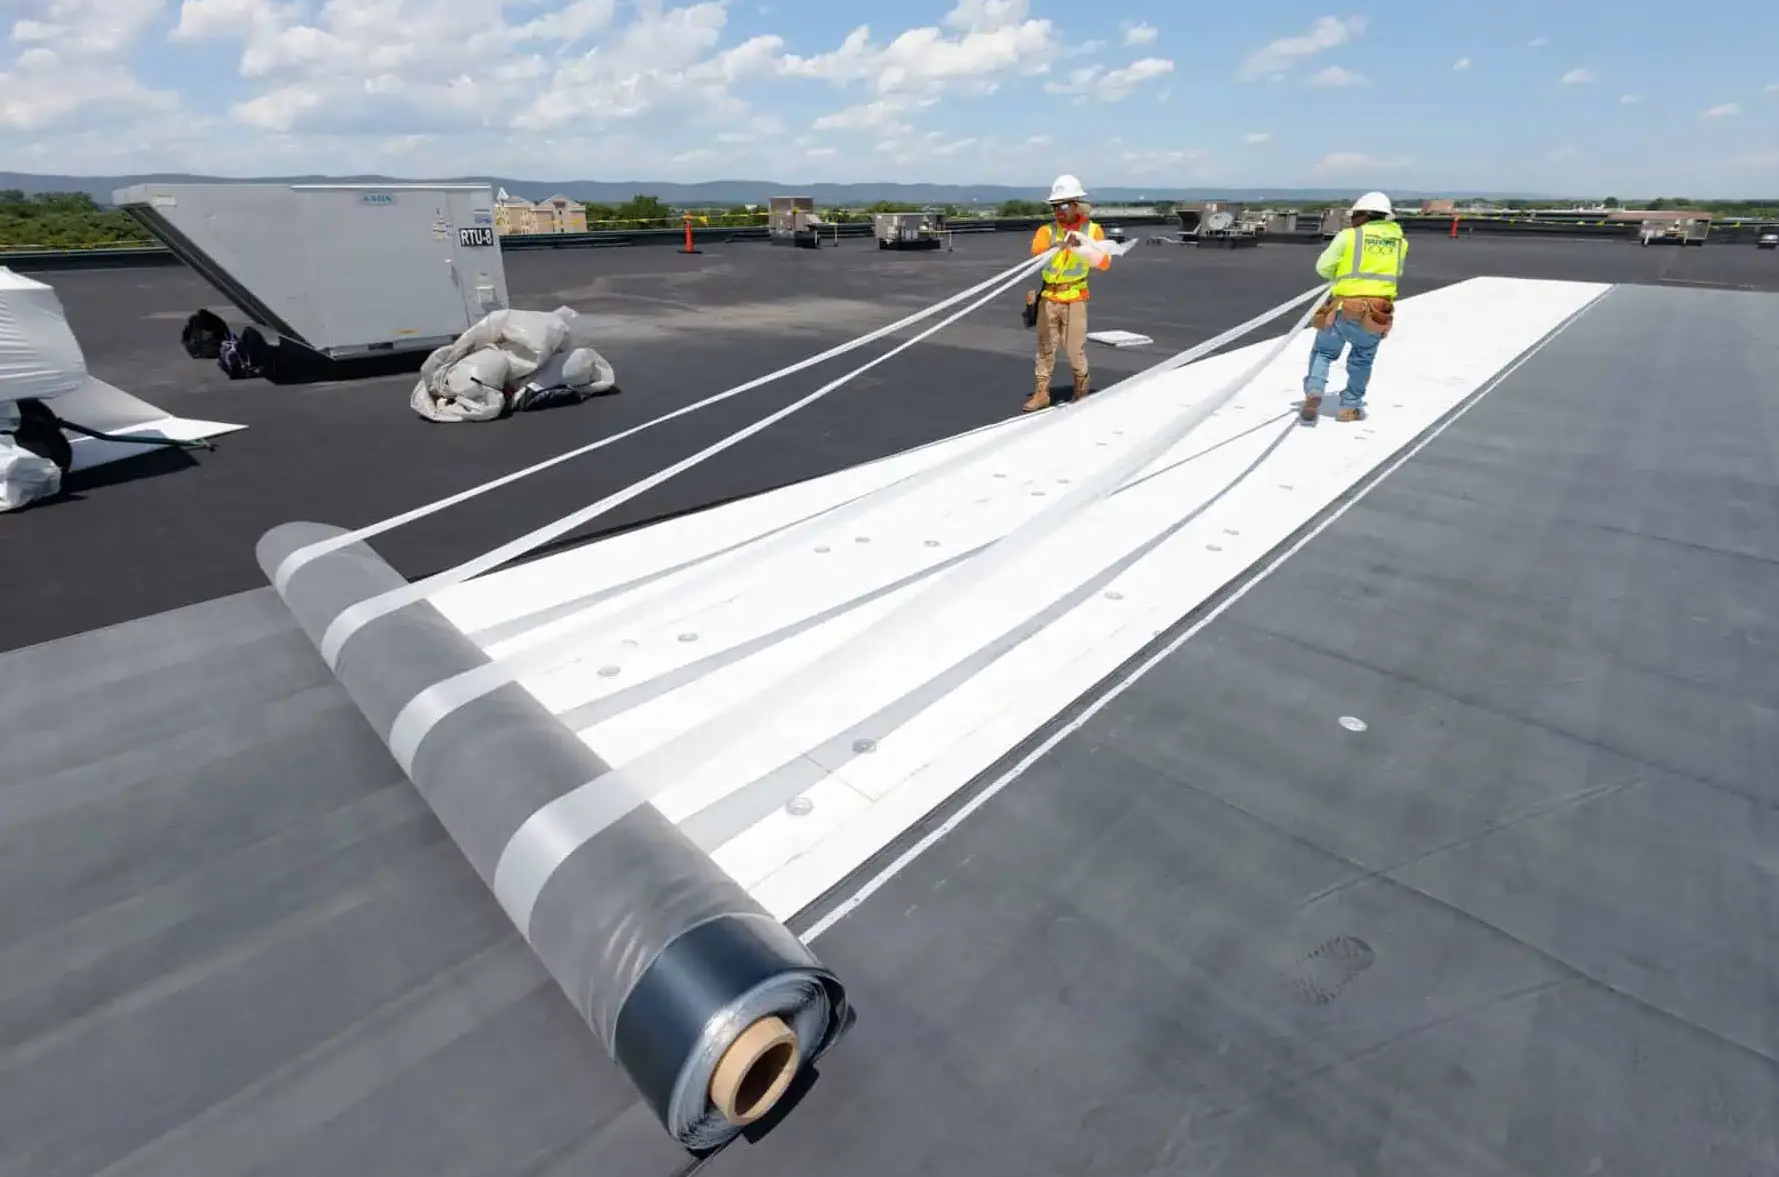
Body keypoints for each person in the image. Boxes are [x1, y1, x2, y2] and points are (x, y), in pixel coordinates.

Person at [1300, 190, 1408, 425]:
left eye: (1354, 216)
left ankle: (1315, 390)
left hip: (1344, 306)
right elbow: (1396, 273)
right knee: (1362, 359)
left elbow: (1324, 266)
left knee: (1324, 352)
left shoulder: (1349, 236)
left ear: (1364, 216)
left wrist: (1340, 277)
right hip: (1377, 312)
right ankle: (1349, 408)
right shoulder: (1400, 242)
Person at [1024, 174, 1114, 413]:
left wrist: (1082, 248)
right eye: (1055, 206)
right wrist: (1055, 247)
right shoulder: (1047, 231)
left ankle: (1081, 389)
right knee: (1045, 347)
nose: (1058, 211)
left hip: (1075, 297)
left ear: (1076, 204)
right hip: (1049, 298)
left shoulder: (1092, 231)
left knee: (1075, 348)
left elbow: (1104, 262)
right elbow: (1036, 253)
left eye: (1063, 205)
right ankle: (1041, 392)